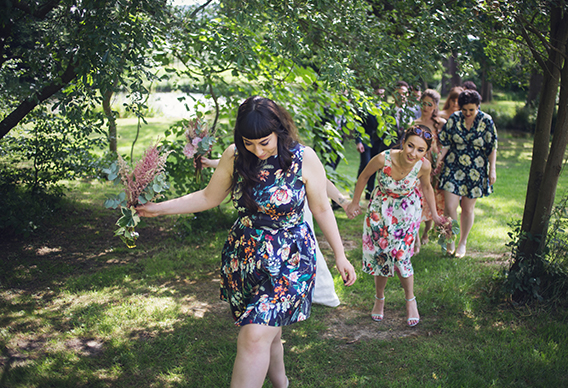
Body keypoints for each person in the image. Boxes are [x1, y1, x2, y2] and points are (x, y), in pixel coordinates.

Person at [138, 96, 357, 388]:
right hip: (245, 258)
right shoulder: (235, 156)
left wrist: (340, 255)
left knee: (253, 335)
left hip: (290, 261)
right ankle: (282, 383)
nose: (257, 150)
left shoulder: (304, 158)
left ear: (279, 129)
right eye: (249, 143)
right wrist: (158, 208)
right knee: (269, 331)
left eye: (264, 142)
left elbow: (320, 208)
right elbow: (208, 197)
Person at [201, 156, 348, 307]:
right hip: (260, 230)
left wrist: (343, 202)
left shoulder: (300, 156)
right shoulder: (250, 151)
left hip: (293, 214)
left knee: (306, 252)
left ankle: (316, 291)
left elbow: (322, 182)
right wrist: (211, 162)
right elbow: (242, 158)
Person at [346, 125, 443, 327]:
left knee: (401, 257)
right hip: (379, 211)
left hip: (406, 213)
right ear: (403, 142)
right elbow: (364, 177)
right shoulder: (383, 158)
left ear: (425, 152)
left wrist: (434, 214)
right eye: (410, 146)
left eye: (420, 150)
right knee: (381, 256)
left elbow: (427, 187)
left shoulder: (423, 166)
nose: (413, 153)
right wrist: (355, 202)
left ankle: (410, 300)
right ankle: (379, 299)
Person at [436, 89, 498, 258]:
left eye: (471, 110)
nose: (468, 113)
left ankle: (463, 243)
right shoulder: (454, 118)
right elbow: (446, 143)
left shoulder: (486, 121)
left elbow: (491, 147)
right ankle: (450, 240)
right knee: (449, 206)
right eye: (464, 110)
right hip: (453, 166)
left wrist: (492, 169)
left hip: (476, 169)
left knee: (467, 209)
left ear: (478, 106)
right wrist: (438, 160)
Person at [414, 89, 447, 246]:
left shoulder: (440, 124)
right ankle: (416, 237)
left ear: (435, 106)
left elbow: (446, 145)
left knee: (431, 200)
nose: (425, 107)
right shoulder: (414, 124)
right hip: (418, 167)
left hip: (435, 168)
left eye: (429, 104)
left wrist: (440, 162)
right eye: (423, 103)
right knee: (418, 199)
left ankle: (426, 232)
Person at [355, 87, 390, 200]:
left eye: (382, 94)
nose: (379, 96)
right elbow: (358, 125)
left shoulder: (385, 108)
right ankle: (359, 185)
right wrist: (358, 141)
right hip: (366, 139)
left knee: (374, 166)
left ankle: (369, 191)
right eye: (378, 93)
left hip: (378, 142)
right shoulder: (365, 107)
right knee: (365, 163)